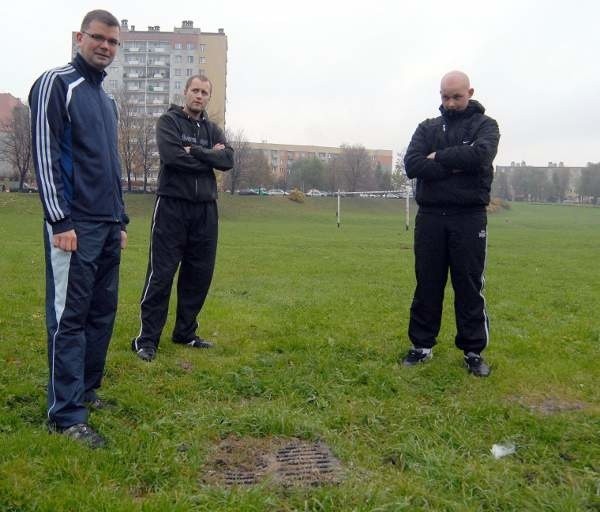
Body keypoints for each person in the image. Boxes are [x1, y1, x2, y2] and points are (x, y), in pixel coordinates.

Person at [29, 9, 127, 447]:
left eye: (112, 41)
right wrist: (59, 219)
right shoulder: (56, 83)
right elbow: (45, 154)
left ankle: (86, 392)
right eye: (98, 38)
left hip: (107, 225)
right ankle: (65, 414)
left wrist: (120, 218)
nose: (105, 46)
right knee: (69, 318)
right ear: (79, 37)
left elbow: (112, 166)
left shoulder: (108, 101)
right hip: (75, 225)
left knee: (100, 314)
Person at [402, 70, 500, 377]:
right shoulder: (427, 127)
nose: (450, 102)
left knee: (469, 284)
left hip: (469, 218)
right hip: (430, 217)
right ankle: (421, 346)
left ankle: (473, 352)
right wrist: (456, 166)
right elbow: (412, 164)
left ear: (469, 92)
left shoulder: (486, 126)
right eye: (445, 96)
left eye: (456, 96)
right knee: (427, 282)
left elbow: (480, 156)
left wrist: (438, 159)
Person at [131, 75, 234, 362]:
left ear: (208, 98)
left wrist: (197, 152)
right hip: (172, 207)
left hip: (205, 210)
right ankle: (146, 339)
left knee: (198, 275)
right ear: (185, 92)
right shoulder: (169, 122)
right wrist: (208, 159)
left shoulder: (213, 129)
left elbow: (228, 160)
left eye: (204, 92)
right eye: (195, 91)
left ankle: (185, 333)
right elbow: (173, 157)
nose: (199, 96)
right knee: (161, 274)